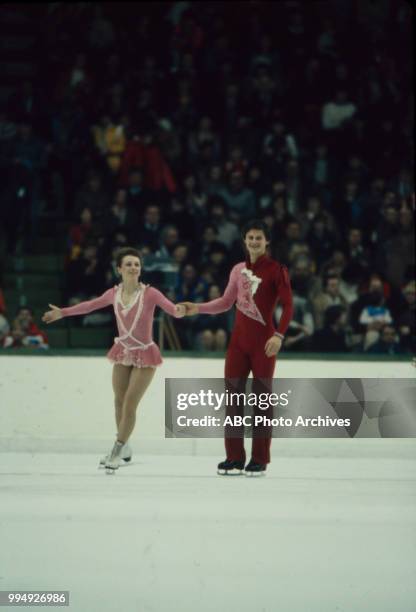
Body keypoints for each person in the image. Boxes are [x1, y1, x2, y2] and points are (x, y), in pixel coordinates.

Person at [42, 247, 186, 473]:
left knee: (130, 403)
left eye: (137, 264)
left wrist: (179, 310)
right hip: (123, 350)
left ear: (141, 269)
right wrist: (63, 312)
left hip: (145, 353)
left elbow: (171, 308)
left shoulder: (150, 294)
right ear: (119, 269)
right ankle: (126, 445)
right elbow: (89, 306)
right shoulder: (113, 293)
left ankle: (117, 450)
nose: (133, 267)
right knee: (118, 401)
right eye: (128, 264)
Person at [181, 220, 293, 476]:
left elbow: (288, 306)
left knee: (262, 400)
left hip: (264, 343)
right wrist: (196, 308)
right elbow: (224, 302)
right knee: (233, 399)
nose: (254, 242)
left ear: (267, 242)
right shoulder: (237, 270)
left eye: (259, 238)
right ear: (244, 241)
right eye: (250, 237)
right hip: (238, 345)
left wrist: (279, 335)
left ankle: (260, 458)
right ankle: (234, 456)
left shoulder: (277, 270)